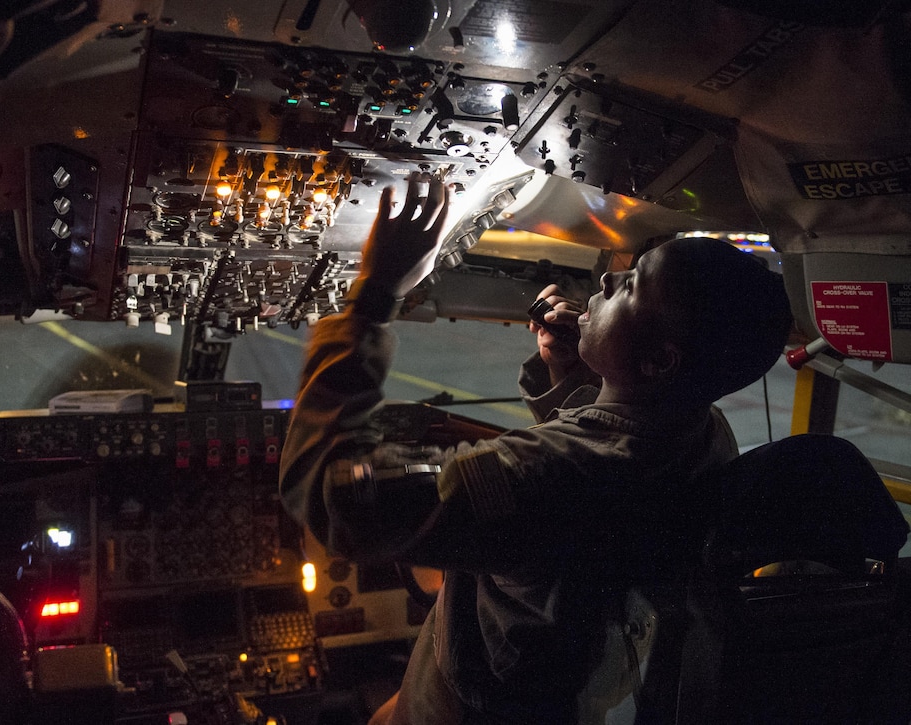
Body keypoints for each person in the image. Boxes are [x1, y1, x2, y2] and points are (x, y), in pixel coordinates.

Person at [278, 173, 793, 723]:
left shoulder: (544, 475)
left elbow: (334, 501)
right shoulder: (705, 433)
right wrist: (576, 368)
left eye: (632, 286)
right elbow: (601, 482)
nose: (608, 282)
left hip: (473, 707)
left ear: (660, 362)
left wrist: (374, 296)